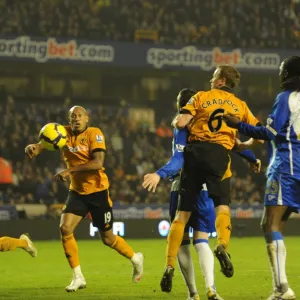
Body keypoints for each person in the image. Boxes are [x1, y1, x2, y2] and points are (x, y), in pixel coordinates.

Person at [143, 89, 261, 299]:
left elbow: (178, 159)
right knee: (202, 240)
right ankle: (212, 290)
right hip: (207, 189)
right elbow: (232, 143)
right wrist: (252, 159)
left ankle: (192, 292)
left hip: (184, 183)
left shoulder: (182, 125)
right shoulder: (210, 121)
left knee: (181, 238)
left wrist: (160, 175)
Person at [25, 106, 144, 292]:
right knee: (65, 228)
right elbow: (48, 142)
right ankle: (78, 276)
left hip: (98, 192)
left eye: (80, 116)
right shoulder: (63, 132)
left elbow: (98, 163)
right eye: (73, 116)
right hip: (78, 192)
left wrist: (69, 170)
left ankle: (135, 259)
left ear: (87, 118)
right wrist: (35, 147)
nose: (76, 119)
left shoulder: (95, 134)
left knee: (108, 238)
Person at [223, 56, 300, 300]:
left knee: (269, 224)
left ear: (287, 73)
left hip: (286, 169)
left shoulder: (285, 98)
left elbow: (269, 132)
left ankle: (281, 289)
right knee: (280, 223)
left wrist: (238, 123)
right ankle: (281, 287)